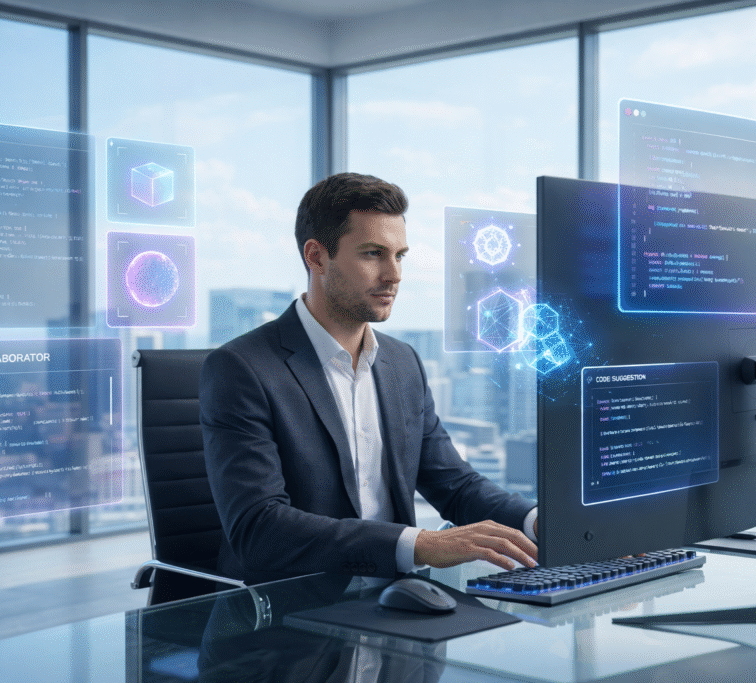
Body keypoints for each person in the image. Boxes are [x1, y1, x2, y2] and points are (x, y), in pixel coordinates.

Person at [200, 172, 538, 586]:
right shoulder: (243, 369)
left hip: (396, 602)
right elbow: (259, 528)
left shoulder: (401, 363)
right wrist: (419, 545)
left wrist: (536, 522)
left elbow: (455, 484)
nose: (393, 275)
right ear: (317, 257)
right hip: (289, 613)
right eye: (373, 254)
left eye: (400, 256)